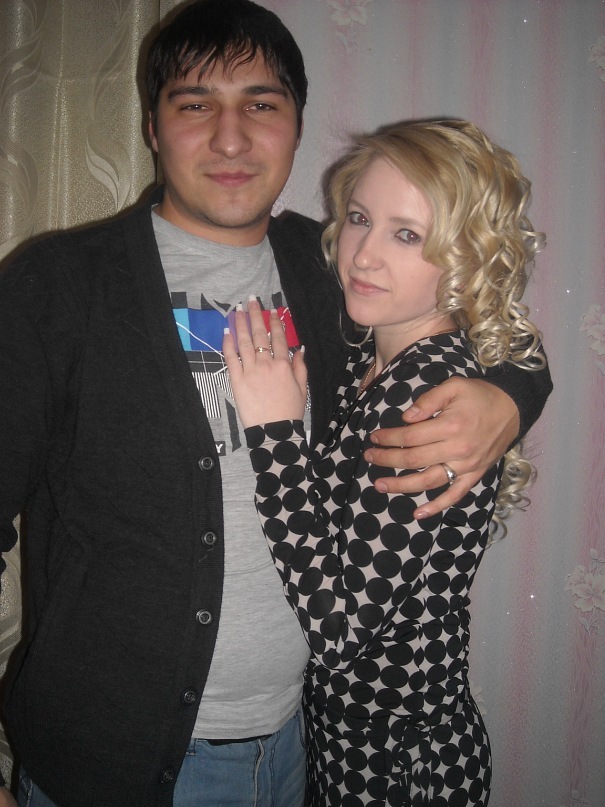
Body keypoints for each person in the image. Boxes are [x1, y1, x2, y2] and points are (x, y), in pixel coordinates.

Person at [0, 0, 551, 803]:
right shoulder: (56, 287)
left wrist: (507, 395)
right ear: (152, 126)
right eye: (195, 105)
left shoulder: (331, 270)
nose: (230, 138)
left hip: (305, 751)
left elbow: (483, 316)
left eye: (260, 104)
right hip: (105, 763)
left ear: (295, 125)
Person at [224, 118, 546, 806]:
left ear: (466, 258)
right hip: (350, 743)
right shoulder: (374, 355)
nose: (364, 255)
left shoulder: (423, 394)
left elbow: (340, 634)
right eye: (359, 218)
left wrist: (275, 432)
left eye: (407, 235)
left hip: (395, 763)